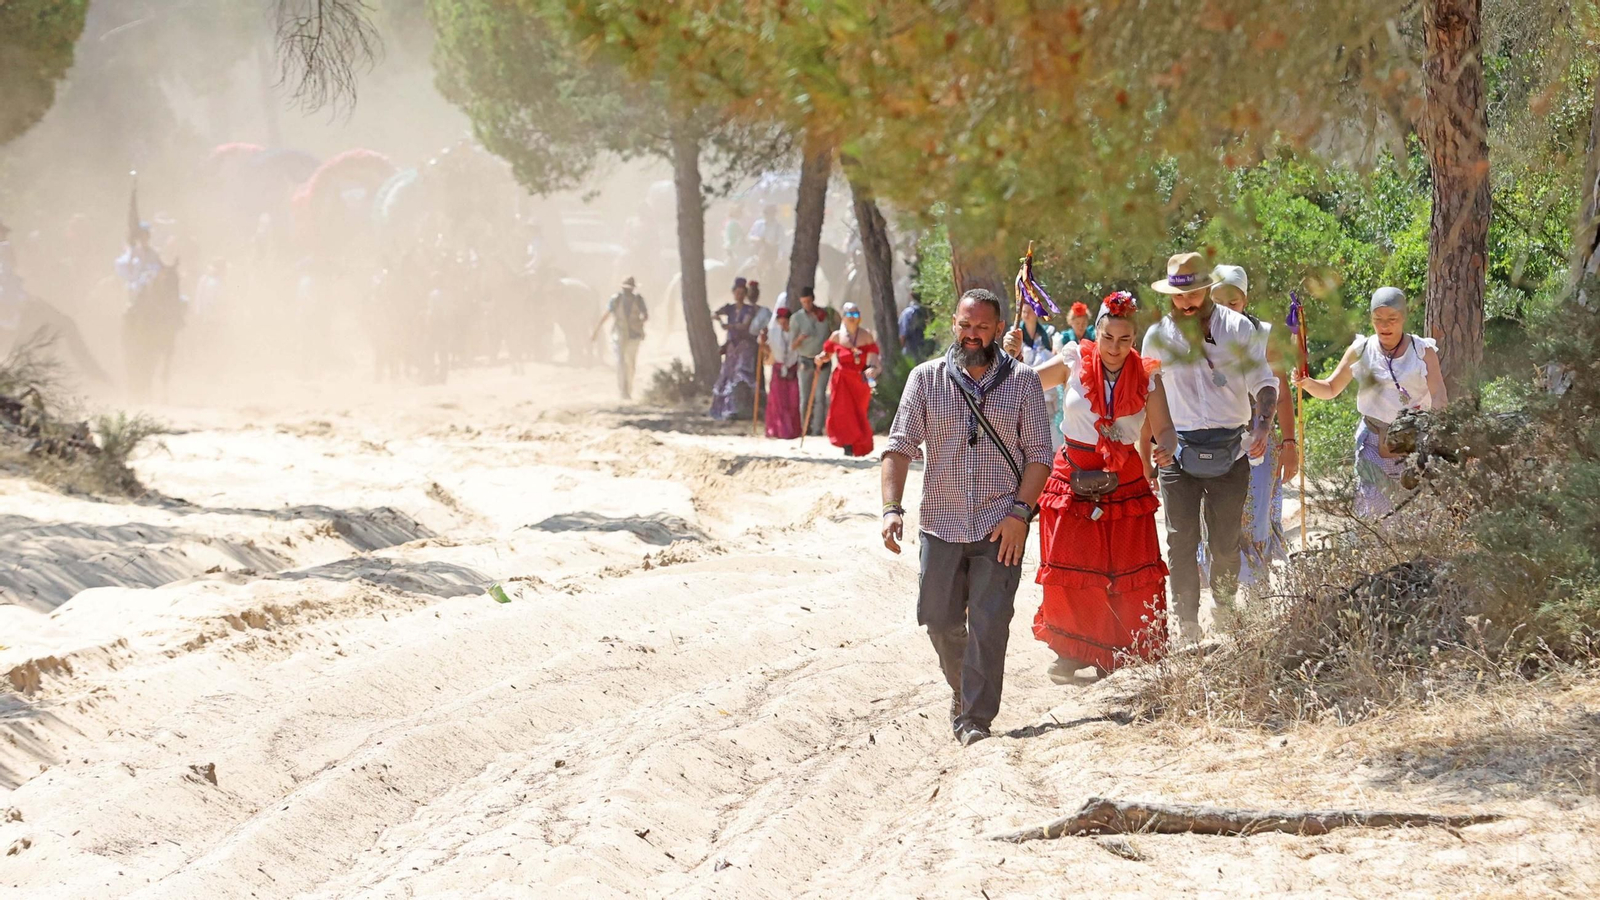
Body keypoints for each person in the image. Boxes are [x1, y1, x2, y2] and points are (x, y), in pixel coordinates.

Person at [883, 289, 1053, 746]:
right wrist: (891, 509)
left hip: (1002, 525)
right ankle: (961, 689)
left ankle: (975, 718)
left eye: (982, 327)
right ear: (953, 325)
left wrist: (1021, 513)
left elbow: (1040, 457)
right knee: (938, 619)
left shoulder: (1023, 382)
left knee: (989, 621)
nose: (972, 335)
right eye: (965, 325)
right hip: (941, 523)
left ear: (999, 329)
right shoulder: (925, 379)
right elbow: (899, 447)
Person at [1009, 291, 1177, 682]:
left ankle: (1120, 653)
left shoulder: (1148, 376)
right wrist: (1012, 357)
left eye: (1125, 340)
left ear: (1134, 339)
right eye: (1108, 338)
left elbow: (1165, 429)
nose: (1115, 348)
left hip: (1126, 481)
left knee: (1123, 569)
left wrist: (1165, 448)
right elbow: (1027, 383)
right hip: (1073, 474)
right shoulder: (1073, 360)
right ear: (1096, 333)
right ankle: (1071, 652)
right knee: (1072, 564)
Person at [1141, 252, 1278, 644]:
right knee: (1181, 539)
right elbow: (1151, 392)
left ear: (1206, 290)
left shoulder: (1237, 328)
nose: (1186, 303)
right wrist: (1151, 446)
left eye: (1193, 294)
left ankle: (1223, 610)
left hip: (1231, 448)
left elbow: (1263, 381)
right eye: (1178, 296)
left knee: (1224, 541)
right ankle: (1187, 623)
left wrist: (1263, 426)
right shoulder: (1156, 337)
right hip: (1177, 449)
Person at [1295, 286, 1447, 517]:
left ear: (1404, 317)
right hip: (1373, 441)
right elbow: (1331, 388)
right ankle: (1375, 551)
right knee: (1373, 509)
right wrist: (1307, 383)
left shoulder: (1422, 351)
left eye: (1392, 319)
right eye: (1378, 319)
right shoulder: (1361, 350)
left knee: (1413, 510)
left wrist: (1431, 433)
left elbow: (1439, 396)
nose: (1385, 326)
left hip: (1413, 442)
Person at [1200, 265, 1299, 589]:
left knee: (1255, 519)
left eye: (1234, 300)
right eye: (1219, 300)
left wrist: (1288, 444)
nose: (1227, 307)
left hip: (1259, 441)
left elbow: (1281, 394)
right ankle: (1223, 601)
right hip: (1211, 442)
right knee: (1216, 519)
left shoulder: (1264, 335)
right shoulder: (1196, 337)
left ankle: (1257, 596)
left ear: (1245, 300)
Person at [815, 301, 880, 456]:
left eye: (855, 314)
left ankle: (859, 445)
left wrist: (871, 368)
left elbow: (872, 358)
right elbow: (827, 354)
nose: (852, 318)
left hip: (859, 381)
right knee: (843, 413)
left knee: (859, 413)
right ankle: (848, 445)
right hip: (842, 380)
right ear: (843, 317)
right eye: (849, 314)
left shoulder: (866, 335)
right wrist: (820, 358)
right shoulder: (837, 336)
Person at [711, 277, 762, 419]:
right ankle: (725, 409)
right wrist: (720, 320)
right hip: (732, 346)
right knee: (727, 374)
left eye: (741, 293)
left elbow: (744, 326)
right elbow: (715, 313)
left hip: (744, 346)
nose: (739, 295)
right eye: (737, 292)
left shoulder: (748, 310)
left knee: (741, 375)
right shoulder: (729, 308)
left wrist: (729, 326)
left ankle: (741, 407)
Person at [788, 286, 836, 435]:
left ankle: (817, 429)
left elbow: (834, 334)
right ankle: (805, 427)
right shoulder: (796, 318)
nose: (807, 305)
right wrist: (800, 338)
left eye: (808, 301)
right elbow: (792, 345)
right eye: (804, 302)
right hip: (805, 360)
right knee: (805, 397)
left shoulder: (826, 315)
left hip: (823, 361)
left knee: (820, 396)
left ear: (813, 299)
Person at [593, 276, 650, 399]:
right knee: (621, 362)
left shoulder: (638, 300)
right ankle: (623, 390)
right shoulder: (616, 299)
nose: (627, 291)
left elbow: (645, 316)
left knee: (630, 363)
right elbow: (607, 315)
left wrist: (638, 323)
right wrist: (596, 330)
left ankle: (628, 388)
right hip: (619, 334)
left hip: (634, 335)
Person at [762, 305, 802, 438]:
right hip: (778, 369)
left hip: (792, 369)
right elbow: (767, 347)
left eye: (786, 320)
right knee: (778, 401)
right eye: (781, 320)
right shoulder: (772, 332)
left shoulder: (795, 332)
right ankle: (778, 430)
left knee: (792, 400)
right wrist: (764, 345)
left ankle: (792, 431)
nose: (783, 323)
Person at [898, 291, 933, 359]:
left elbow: (903, 334)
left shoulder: (907, 313)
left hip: (911, 348)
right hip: (925, 347)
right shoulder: (925, 310)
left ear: (911, 297)